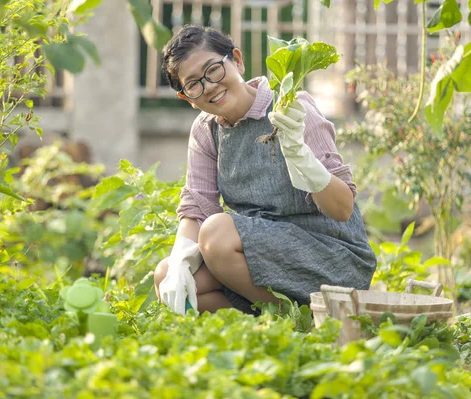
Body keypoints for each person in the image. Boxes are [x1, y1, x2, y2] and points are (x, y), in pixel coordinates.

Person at [154, 24, 376, 316]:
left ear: (237, 60)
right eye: (194, 84)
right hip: (262, 256)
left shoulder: (290, 109)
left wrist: (303, 159)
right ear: (187, 98)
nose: (209, 86)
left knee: (216, 235)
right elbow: (197, 207)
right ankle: (280, 315)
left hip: (330, 254)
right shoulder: (206, 130)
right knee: (166, 277)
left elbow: (343, 208)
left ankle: (298, 318)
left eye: (214, 70)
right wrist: (179, 261)